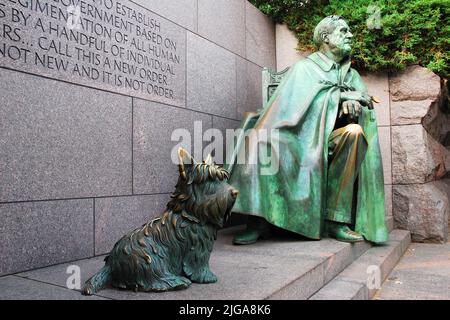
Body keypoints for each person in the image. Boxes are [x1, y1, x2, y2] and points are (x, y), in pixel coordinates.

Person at [228, 15, 388, 245]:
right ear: (326, 37)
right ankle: (258, 219)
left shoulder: (352, 75)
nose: (350, 35)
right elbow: (282, 111)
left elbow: (367, 106)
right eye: (343, 31)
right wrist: (339, 96)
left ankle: (336, 220)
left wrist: (352, 109)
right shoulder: (304, 68)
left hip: (331, 140)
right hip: (296, 140)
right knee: (259, 139)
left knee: (354, 133)